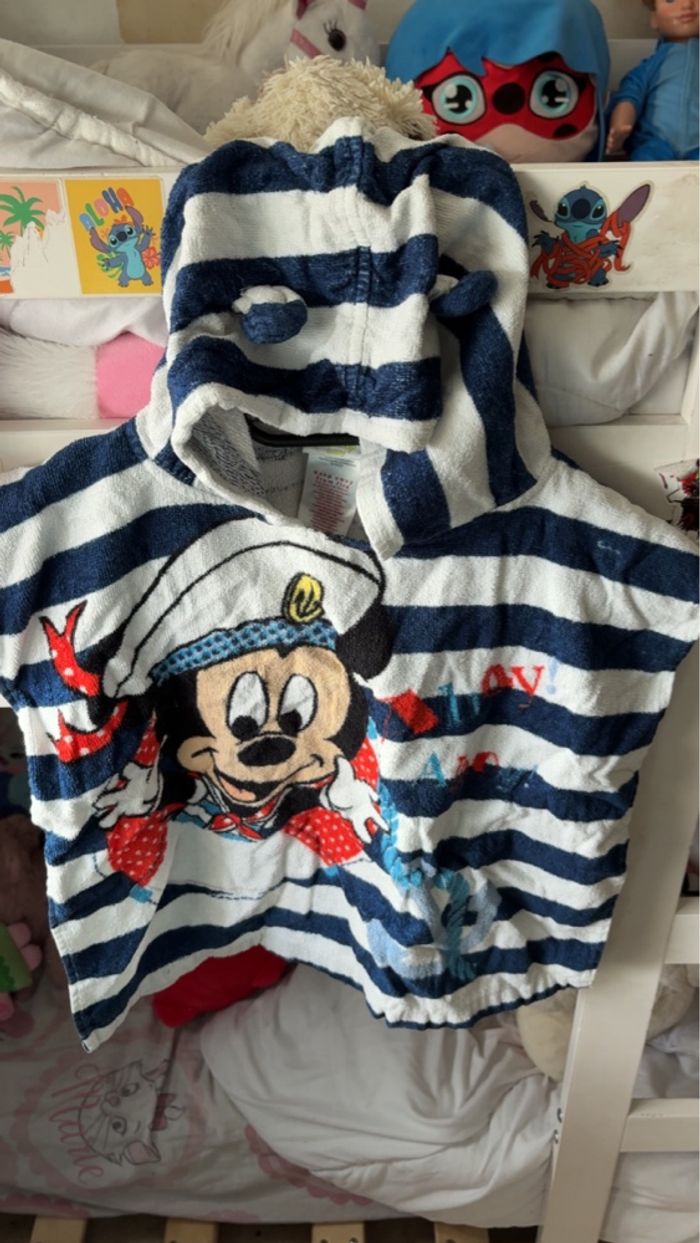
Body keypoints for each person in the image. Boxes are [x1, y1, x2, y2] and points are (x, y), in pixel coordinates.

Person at [606, 0, 699, 160]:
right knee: (645, 161)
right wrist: (620, 125)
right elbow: (630, 94)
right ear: (654, 19)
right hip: (656, 143)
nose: (687, 5)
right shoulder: (651, 66)